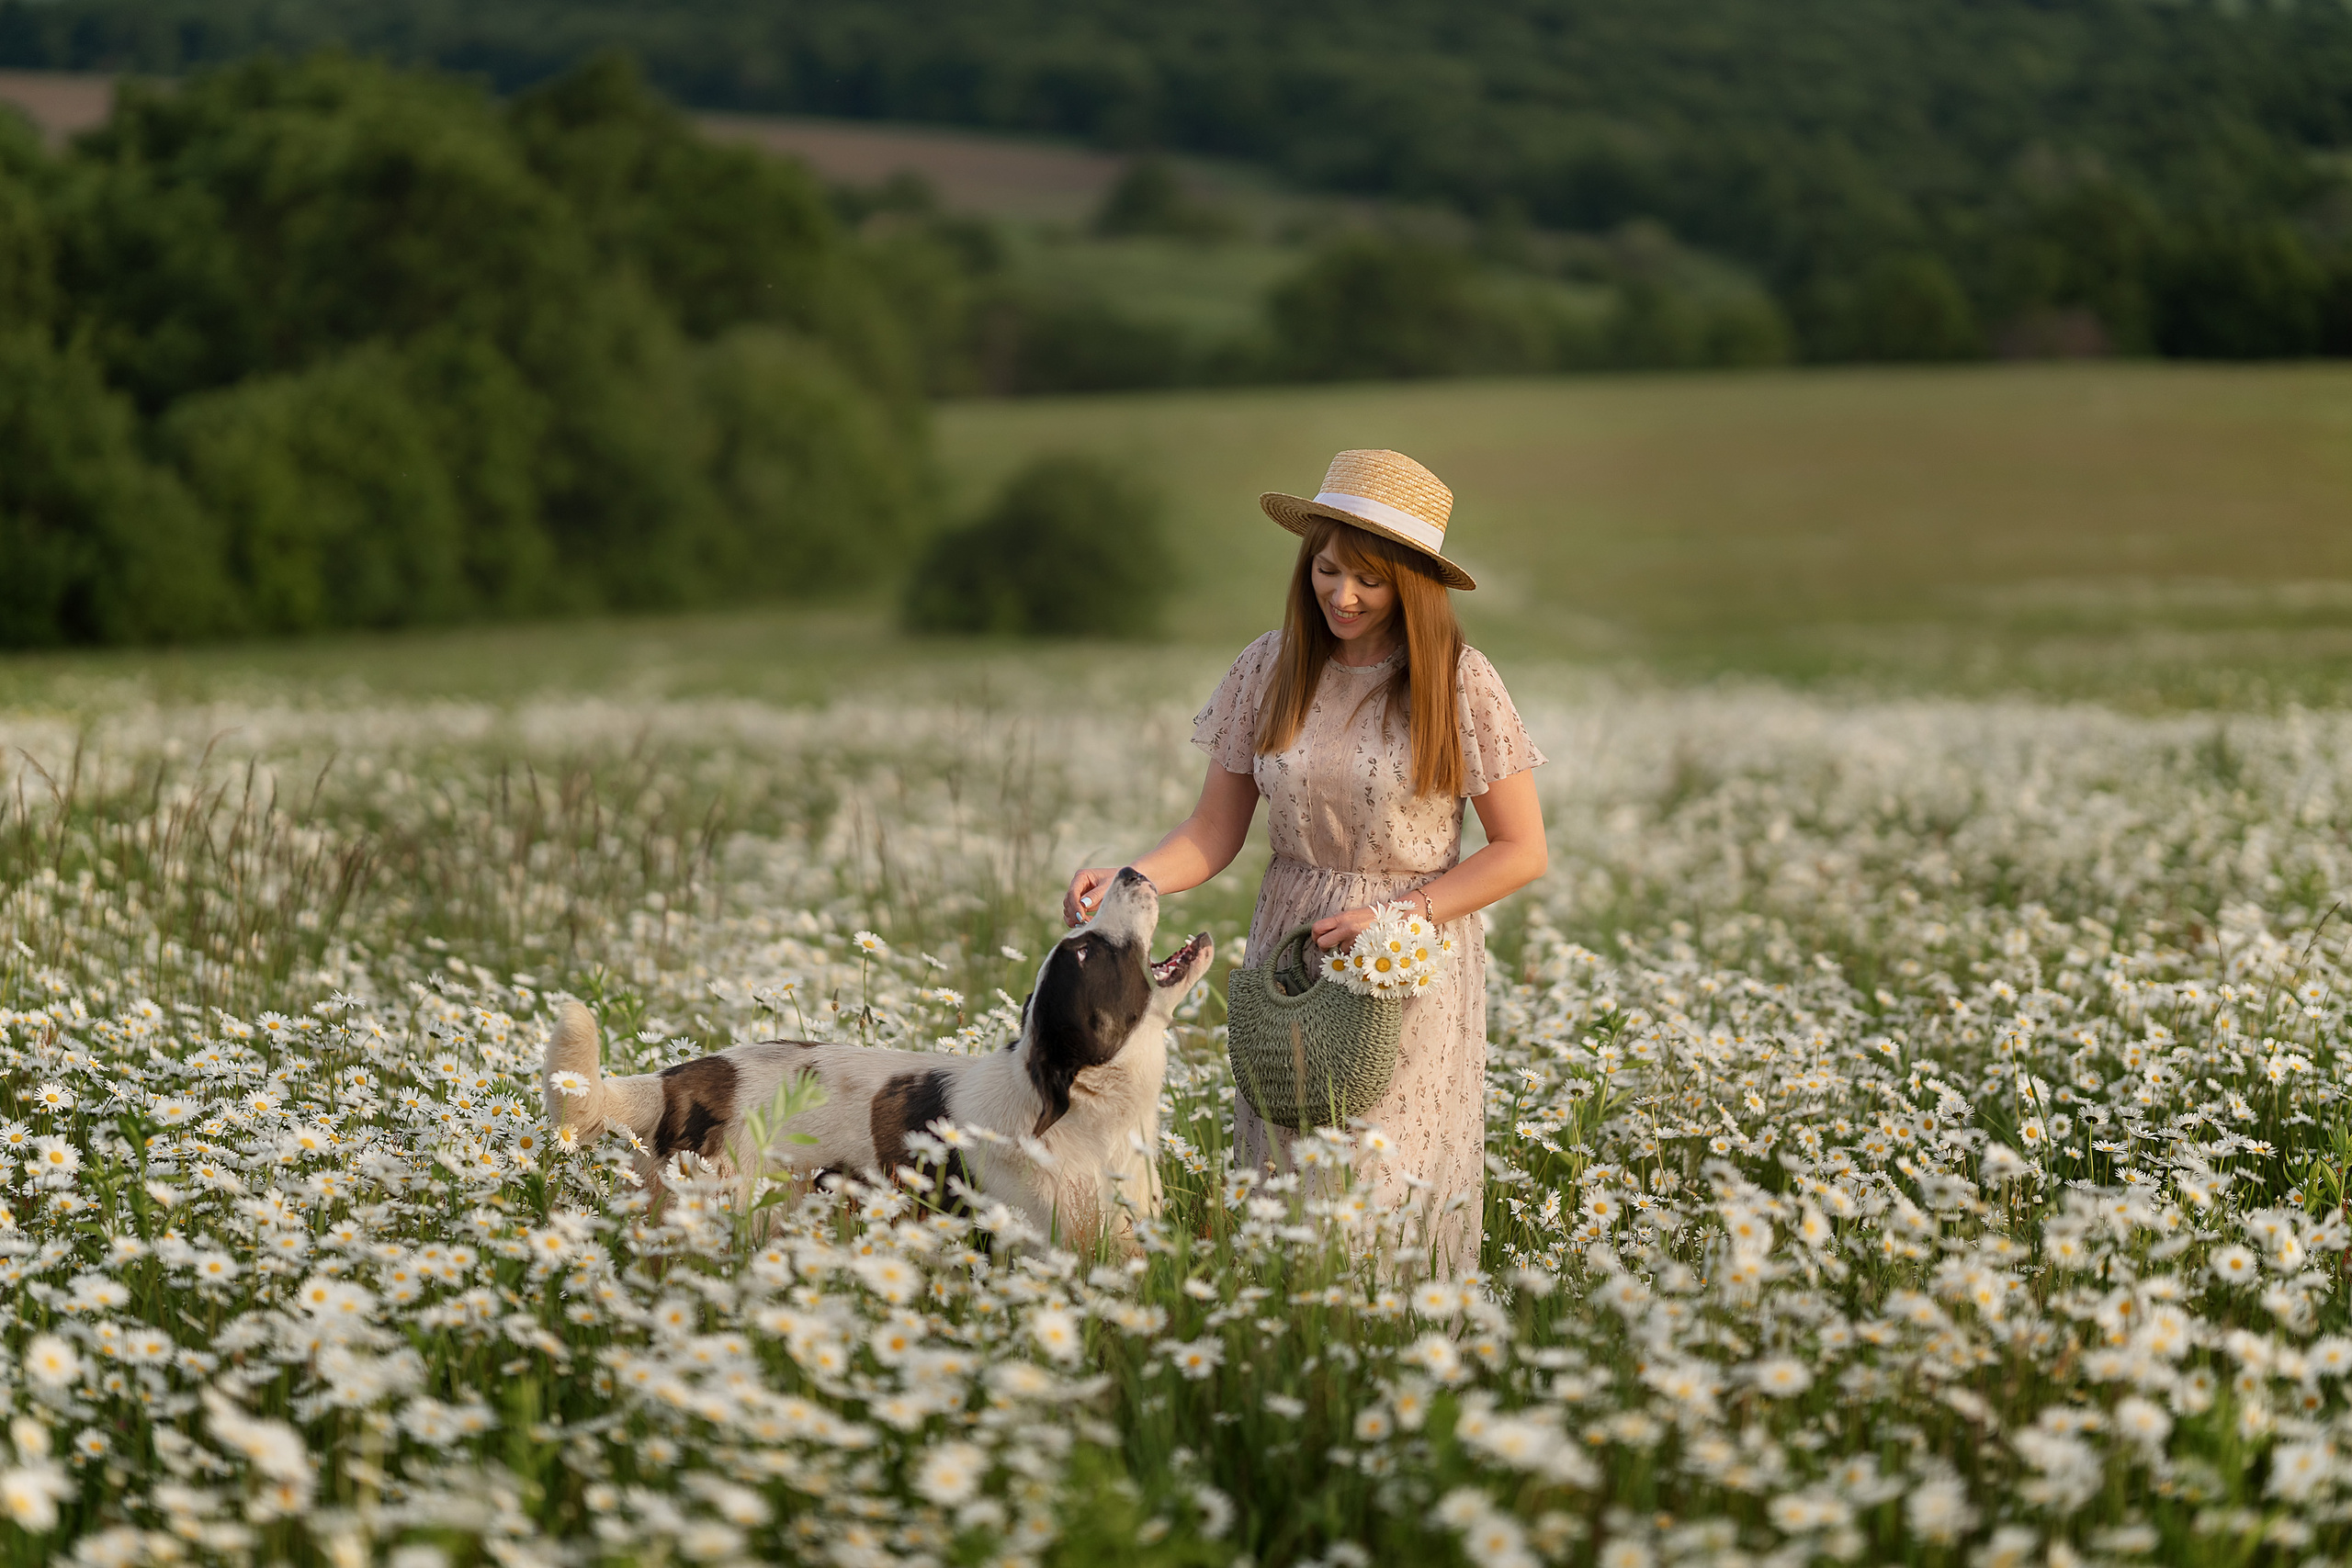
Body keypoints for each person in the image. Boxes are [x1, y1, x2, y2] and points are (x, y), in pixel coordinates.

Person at [1062, 449, 1547, 1276]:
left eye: (1369, 580)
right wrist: (1128, 881)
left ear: (1412, 586)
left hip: (1404, 964)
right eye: (1326, 569)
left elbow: (1521, 850)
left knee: (1385, 1195)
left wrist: (1394, 919)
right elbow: (1215, 830)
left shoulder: (1458, 681)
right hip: (1291, 955)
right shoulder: (1270, 665)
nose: (1342, 595)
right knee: (1291, 1197)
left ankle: (1399, 1363)